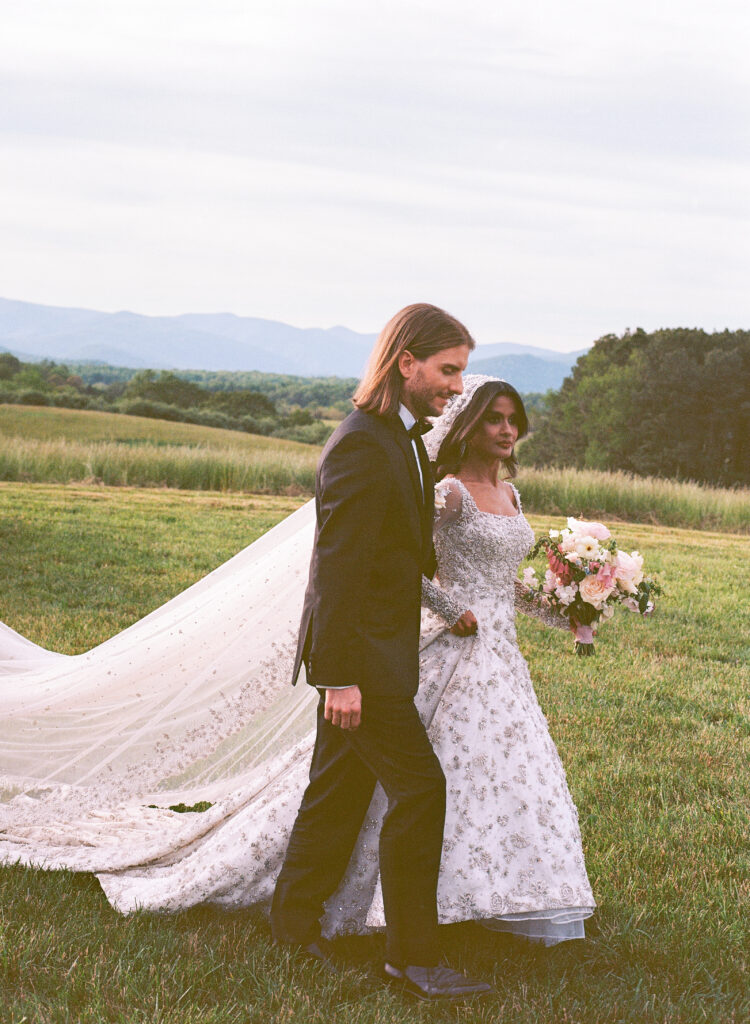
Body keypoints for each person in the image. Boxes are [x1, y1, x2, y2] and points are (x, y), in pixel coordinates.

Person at [0, 374, 594, 987]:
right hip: (424, 655)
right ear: (466, 423)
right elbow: (391, 565)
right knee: (411, 786)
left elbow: (501, 584)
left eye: (512, 419)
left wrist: (571, 606)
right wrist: (442, 612)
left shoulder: (510, 494)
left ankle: (489, 899)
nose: (506, 429)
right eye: (492, 416)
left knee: (476, 777)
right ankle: (396, 941)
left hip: (496, 660)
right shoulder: (435, 487)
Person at [269, 304, 493, 1001]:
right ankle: (413, 957)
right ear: (407, 363)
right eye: (448, 370)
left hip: (380, 655)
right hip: (360, 664)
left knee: (337, 791)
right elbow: (337, 570)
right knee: (421, 790)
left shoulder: (403, 441)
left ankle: (290, 924)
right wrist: (338, 678)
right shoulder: (366, 444)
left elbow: (398, 558)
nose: (457, 386)